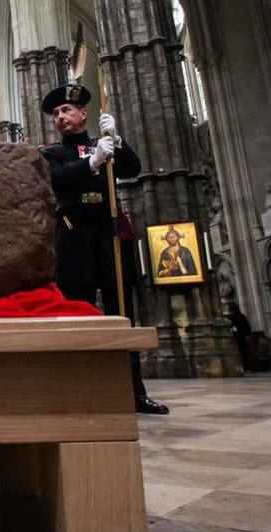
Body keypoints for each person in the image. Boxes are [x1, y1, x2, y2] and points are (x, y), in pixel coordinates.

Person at [39, 83, 169, 415]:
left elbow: (132, 169)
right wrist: (92, 163)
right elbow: (57, 181)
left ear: (83, 114)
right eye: (56, 113)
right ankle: (78, 391)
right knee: (75, 315)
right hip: (73, 238)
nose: (61, 118)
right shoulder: (52, 153)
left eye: (66, 110)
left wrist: (118, 142)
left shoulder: (105, 145)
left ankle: (134, 391)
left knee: (121, 313)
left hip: (109, 237)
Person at [228, 303, 253, 372]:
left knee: (244, 352)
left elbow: (247, 327)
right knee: (242, 353)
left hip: (242, 337)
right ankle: (244, 367)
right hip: (238, 337)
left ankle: (247, 367)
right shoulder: (234, 317)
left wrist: (247, 335)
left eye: (231, 310)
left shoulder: (240, 317)